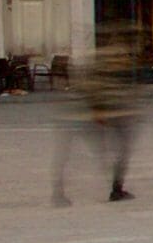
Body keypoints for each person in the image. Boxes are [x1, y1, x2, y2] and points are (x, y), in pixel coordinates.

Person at [52, 35, 140, 204]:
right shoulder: (111, 60)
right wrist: (99, 110)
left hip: (99, 114)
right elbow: (97, 88)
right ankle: (116, 189)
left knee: (76, 153)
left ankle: (59, 190)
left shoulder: (99, 60)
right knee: (115, 151)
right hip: (99, 115)